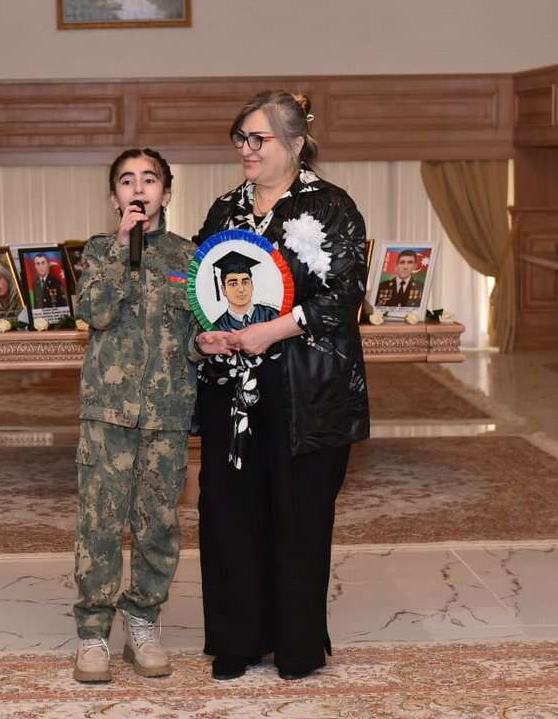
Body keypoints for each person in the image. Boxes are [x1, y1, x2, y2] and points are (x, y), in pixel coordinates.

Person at [194, 91, 370, 681]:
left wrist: (271, 331)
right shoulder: (225, 209)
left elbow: (343, 299)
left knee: (299, 516)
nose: (246, 150)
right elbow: (201, 287)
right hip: (233, 393)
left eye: (258, 139)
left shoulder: (332, 207)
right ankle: (236, 640)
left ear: (295, 143)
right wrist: (205, 334)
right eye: (240, 139)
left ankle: (296, 645)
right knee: (229, 510)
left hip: (306, 390)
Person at [73, 148, 232, 684]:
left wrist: (204, 344)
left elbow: (194, 335)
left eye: (149, 179)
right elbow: (94, 312)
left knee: (158, 524)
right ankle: (93, 633)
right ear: (113, 196)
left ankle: (142, 621)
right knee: (99, 523)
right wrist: (122, 249)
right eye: (127, 181)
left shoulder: (190, 257)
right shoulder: (98, 251)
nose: (138, 189)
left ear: (166, 191)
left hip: (167, 414)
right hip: (107, 413)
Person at [210, 249, 280, 330]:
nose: (241, 289)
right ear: (223, 290)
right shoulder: (217, 327)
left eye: (245, 282)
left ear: (252, 285)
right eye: (233, 284)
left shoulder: (272, 315)